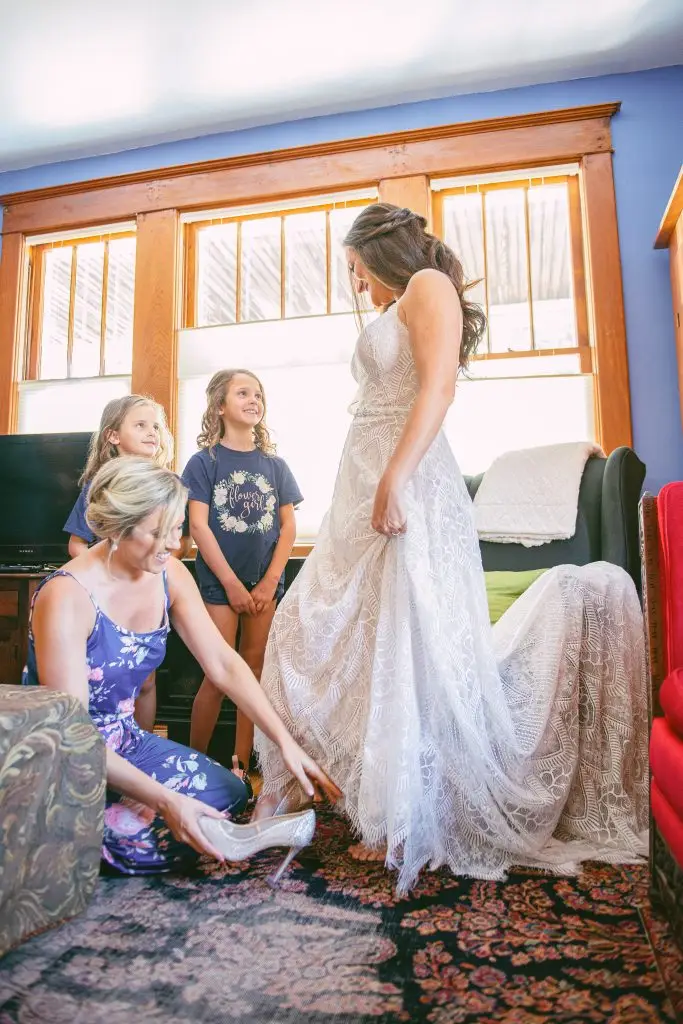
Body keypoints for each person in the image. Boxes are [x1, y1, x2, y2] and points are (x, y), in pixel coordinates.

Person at [253, 202, 648, 891]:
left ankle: (405, 817)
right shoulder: (396, 303)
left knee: (406, 645)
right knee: (310, 630)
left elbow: (437, 389)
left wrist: (394, 480)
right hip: (362, 483)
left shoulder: (425, 287)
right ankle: (317, 795)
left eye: (353, 268)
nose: (354, 285)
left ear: (379, 253)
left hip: (404, 482)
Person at [24, 456, 340, 877]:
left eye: (176, 529)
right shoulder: (67, 596)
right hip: (66, 755)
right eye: (156, 533)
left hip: (125, 742)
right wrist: (166, 799)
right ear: (117, 528)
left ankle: (139, 816)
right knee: (170, 824)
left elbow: (223, 663)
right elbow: (74, 736)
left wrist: (284, 741)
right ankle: (86, 831)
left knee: (227, 792)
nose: (172, 545)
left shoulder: (168, 573)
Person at [182, 370, 302, 771]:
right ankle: (195, 764)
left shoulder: (275, 465)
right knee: (218, 675)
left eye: (258, 395)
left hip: (264, 584)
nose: (254, 400)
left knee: (252, 672)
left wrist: (270, 582)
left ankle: (241, 765)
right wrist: (231, 584)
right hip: (221, 583)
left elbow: (288, 528)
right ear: (220, 406)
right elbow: (198, 526)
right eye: (243, 393)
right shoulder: (203, 463)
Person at [64, 395, 176, 733]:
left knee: (145, 680)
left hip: (148, 593)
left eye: (155, 426)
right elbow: (76, 544)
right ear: (113, 436)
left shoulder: (166, 487)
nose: (151, 432)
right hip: (106, 600)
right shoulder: (100, 488)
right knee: (108, 676)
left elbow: (173, 544)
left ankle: (138, 749)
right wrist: (107, 574)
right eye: (140, 425)